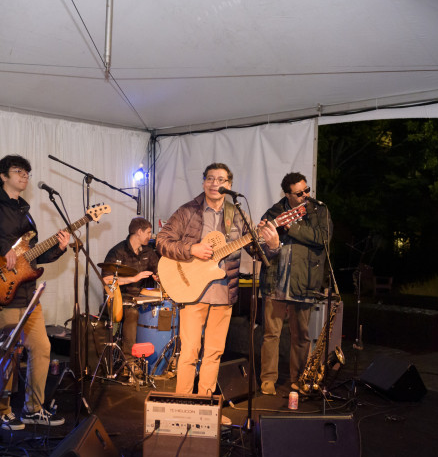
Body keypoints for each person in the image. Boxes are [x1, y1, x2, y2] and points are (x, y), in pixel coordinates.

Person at [0, 155, 70, 430]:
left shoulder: (26, 211)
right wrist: (0, 247)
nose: (25, 176)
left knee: (42, 348)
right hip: (1, 293)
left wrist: (58, 248)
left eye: (27, 173)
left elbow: (30, 261)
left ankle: (33, 408)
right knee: (7, 356)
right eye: (18, 171)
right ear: (2, 176)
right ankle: (1, 412)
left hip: (28, 294)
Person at [156, 163, 280, 404]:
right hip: (193, 293)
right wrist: (191, 248)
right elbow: (162, 241)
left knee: (214, 353)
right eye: (210, 179)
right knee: (190, 352)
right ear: (203, 182)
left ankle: (205, 406)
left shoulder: (238, 214)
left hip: (224, 293)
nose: (215, 183)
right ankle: (182, 406)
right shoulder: (187, 211)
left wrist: (272, 245)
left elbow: (257, 252)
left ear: (229, 185)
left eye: (221, 180)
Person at [258, 172, 332, 395]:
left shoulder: (319, 210)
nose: (305, 196)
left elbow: (323, 237)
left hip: (304, 281)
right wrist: (263, 234)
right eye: (299, 193)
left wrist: (291, 228)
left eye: (307, 190)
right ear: (287, 194)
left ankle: (299, 379)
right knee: (271, 334)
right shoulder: (273, 212)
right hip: (275, 281)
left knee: (301, 335)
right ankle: (268, 379)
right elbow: (259, 246)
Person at [101, 217, 159, 372]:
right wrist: (133, 278)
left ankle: (155, 359)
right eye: (148, 232)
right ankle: (129, 361)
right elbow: (107, 280)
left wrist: (159, 276)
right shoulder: (117, 251)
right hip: (121, 299)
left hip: (141, 297)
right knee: (132, 313)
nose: (150, 235)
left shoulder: (148, 251)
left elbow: (158, 270)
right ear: (139, 232)